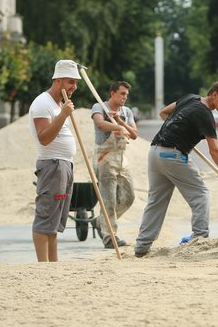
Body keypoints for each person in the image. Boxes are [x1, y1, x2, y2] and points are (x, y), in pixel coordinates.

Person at [134, 81, 218, 258]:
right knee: (200, 194)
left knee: (156, 201)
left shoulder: (190, 98)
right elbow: (215, 151)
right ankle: (200, 239)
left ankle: (142, 247)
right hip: (172, 155)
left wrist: (179, 129)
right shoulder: (205, 115)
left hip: (155, 152)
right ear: (214, 94)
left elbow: (164, 112)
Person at [28, 60, 80, 262]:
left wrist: (62, 112)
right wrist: (64, 114)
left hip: (63, 164)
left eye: (75, 82)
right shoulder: (43, 103)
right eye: (70, 82)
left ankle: (53, 263)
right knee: (46, 217)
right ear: (58, 81)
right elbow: (44, 137)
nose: (73, 87)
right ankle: (43, 265)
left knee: (54, 220)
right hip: (52, 164)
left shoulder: (58, 104)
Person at [91, 81, 138, 249]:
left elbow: (134, 134)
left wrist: (121, 122)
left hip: (122, 158)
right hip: (105, 157)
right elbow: (100, 123)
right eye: (122, 94)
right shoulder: (99, 107)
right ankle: (110, 237)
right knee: (109, 200)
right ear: (112, 93)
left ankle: (101, 221)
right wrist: (116, 126)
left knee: (129, 197)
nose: (125, 97)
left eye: (126, 94)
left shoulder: (126, 112)